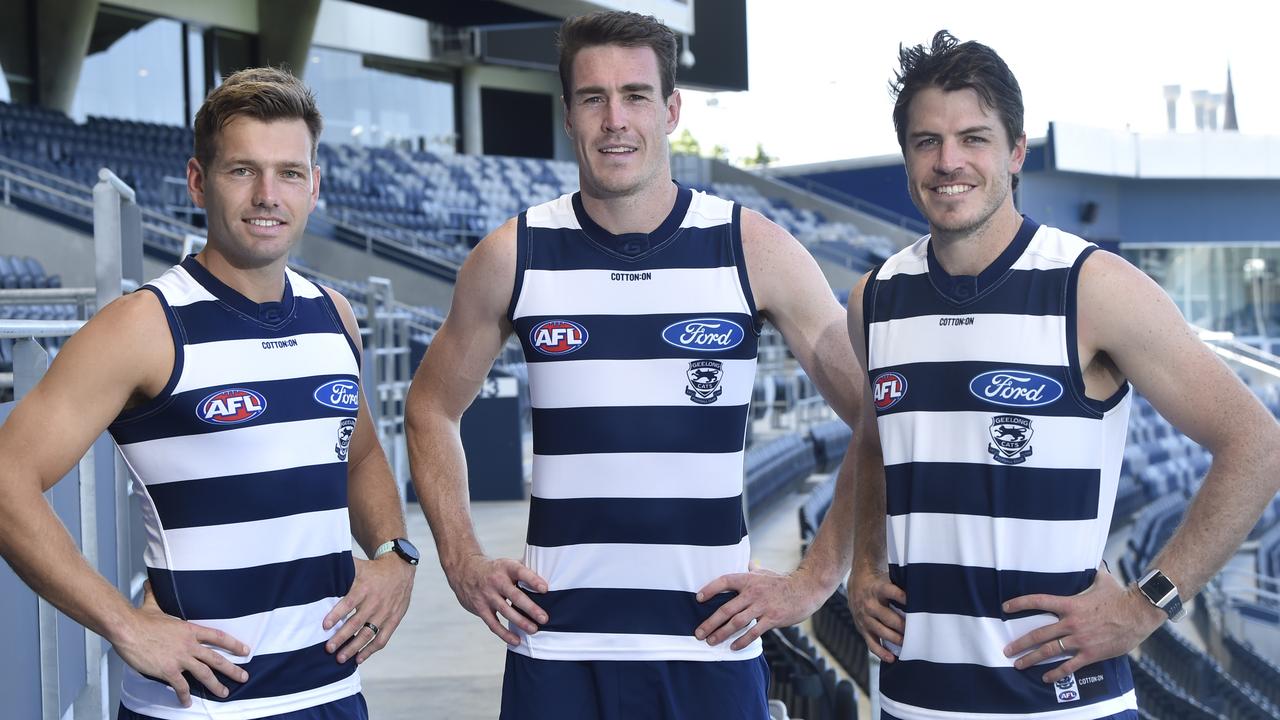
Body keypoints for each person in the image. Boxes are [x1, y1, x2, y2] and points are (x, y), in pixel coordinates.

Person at [405, 10, 864, 720]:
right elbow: (430, 408)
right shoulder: (511, 256)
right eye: (593, 98)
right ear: (568, 115)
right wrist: (462, 559)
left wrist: (815, 578)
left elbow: (877, 414)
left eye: (636, 95)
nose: (615, 119)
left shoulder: (753, 249)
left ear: (672, 108)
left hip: (707, 649)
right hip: (555, 651)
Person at [845, 30, 1280, 720]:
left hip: (1064, 707)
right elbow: (875, 442)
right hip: (912, 701)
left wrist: (1146, 606)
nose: (949, 161)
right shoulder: (876, 298)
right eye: (927, 141)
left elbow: (1259, 444)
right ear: (906, 158)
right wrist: (864, 564)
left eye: (974, 138)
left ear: (1016, 152)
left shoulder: (1091, 288)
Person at [0, 67, 417, 719]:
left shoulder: (333, 315)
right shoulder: (145, 327)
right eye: (241, 171)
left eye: (289, 172)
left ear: (315, 186)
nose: (267, 195)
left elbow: (358, 457)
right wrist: (122, 623)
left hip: (332, 695)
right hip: (201, 708)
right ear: (198, 181)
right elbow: (6, 478)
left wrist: (395, 552)